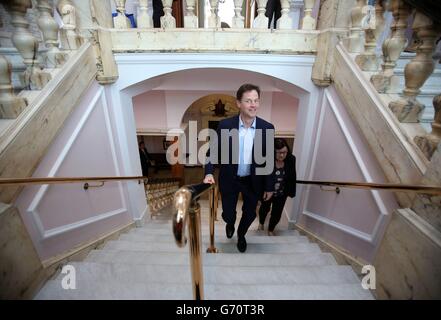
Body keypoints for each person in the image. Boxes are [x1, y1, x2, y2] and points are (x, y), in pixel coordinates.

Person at [204, 83, 275, 253]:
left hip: (253, 182)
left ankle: (241, 235)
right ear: (238, 103)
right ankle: (229, 222)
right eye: (248, 101)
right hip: (230, 179)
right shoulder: (225, 125)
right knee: (228, 212)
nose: (253, 105)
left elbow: (269, 160)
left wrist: (269, 186)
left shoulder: (267, 128)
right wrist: (208, 173)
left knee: (250, 214)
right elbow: (211, 152)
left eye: (256, 101)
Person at [258, 138, 296, 235]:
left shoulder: (291, 159)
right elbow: (261, 176)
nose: (282, 155)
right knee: (264, 209)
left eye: (284, 152)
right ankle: (261, 223)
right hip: (267, 191)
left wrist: (291, 191)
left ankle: (271, 229)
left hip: (282, 192)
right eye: (279, 152)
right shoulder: (266, 159)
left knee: (277, 213)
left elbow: (293, 175)